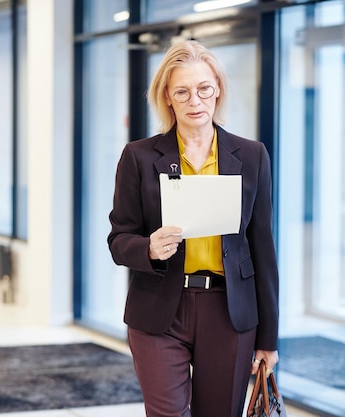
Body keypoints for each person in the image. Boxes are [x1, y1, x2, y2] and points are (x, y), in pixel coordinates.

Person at [107, 40, 279, 417]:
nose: (194, 101)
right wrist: (148, 248)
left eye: (204, 89)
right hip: (158, 310)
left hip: (229, 310)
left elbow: (263, 248)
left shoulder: (251, 156)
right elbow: (119, 239)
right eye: (182, 91)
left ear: (217, 89)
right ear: (167, 97)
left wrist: (269, 338)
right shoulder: (138, 156)